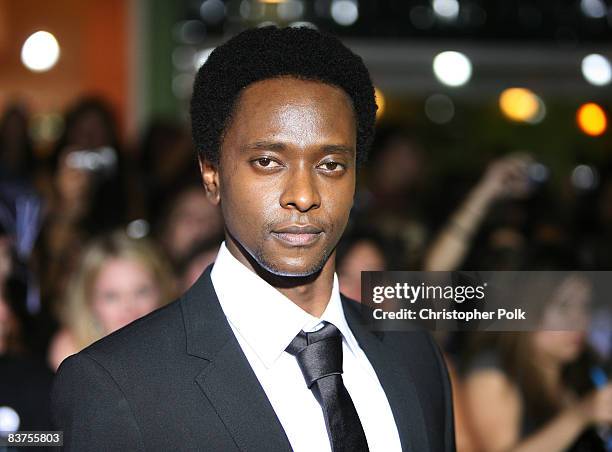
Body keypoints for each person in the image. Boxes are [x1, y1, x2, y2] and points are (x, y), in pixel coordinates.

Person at [51, 26, 455, 451]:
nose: (303, 195)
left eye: (332, 164)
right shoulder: (117, 383)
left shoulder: (413, 355)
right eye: (267, 161)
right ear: (212, 176)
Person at [461, 273, 612, 452]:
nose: (578, 319)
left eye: (585, 306)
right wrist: (579, 417)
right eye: (563, 307)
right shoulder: (493, 373)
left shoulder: (586, 364)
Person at [47, 231, 174, 371]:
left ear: (160, 290)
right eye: (111, 296)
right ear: (88, 300)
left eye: (141, 291)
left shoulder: (179, 344)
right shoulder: (70, 353)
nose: (129, 308)